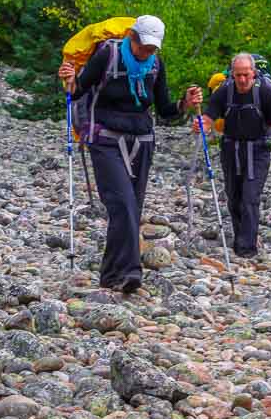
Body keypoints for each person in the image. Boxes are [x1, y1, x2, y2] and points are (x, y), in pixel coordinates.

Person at [58, 15, 202, 293]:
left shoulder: (156, 65)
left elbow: (165, 109)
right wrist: (70, 80)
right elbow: (78, 92)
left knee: (130, 210)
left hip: (142, 140)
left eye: (153, 48)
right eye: (144, 46)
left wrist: (185, 102)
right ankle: (130, 271)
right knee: (122, 204)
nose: (148, 52)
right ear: (132, 37)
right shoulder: (107, 55)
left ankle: (111, 274)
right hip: (105, 139)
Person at [197, 53, 271, 258]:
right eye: (238, 75)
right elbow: (209, 116)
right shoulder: (224, 92)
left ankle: (246, 248)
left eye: (246, 75)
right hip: (231, 149)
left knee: (250, 197)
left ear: (254, 73)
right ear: (232, 74)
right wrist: (202, 126)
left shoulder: (266, 93)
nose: (242, 79)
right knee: (233, 197)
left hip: (258, 150)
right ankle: (241, 236)